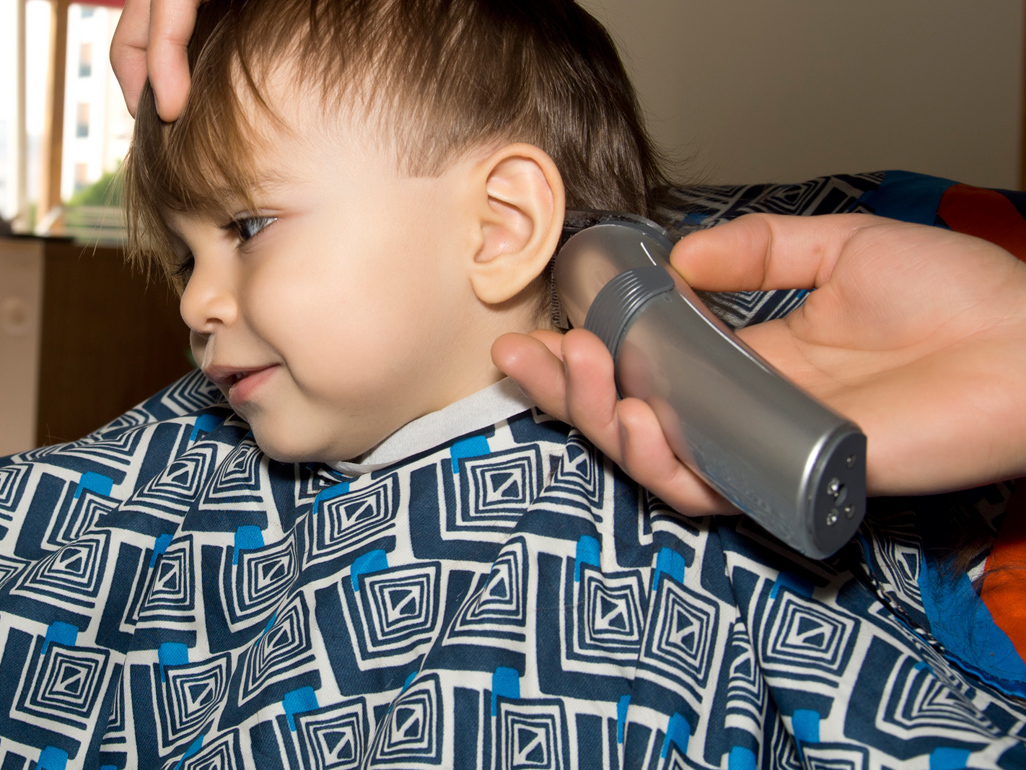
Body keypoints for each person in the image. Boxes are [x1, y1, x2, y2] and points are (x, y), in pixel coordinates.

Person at [0, 1, 1017, 768]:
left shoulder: (605, 570)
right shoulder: (215, 425)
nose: (199, 304)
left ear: (498, 227)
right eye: (184, 260)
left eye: (247, 229)